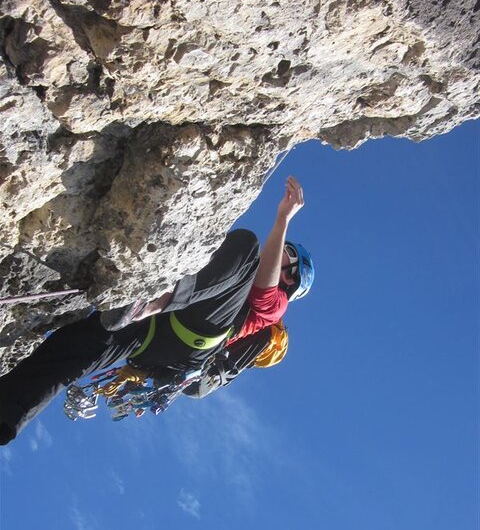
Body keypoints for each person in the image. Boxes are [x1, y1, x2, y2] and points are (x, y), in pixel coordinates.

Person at [0, 177, 314, 445]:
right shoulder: (232, 274)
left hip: (190, 337)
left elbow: (261, 288)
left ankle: (157, 297)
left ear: (290, 278)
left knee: (246, 245)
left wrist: (282, 221)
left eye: (286, 254)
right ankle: (6, 416)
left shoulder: (275, 308)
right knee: (77, 346)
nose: (278, 253)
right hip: (154, 340)